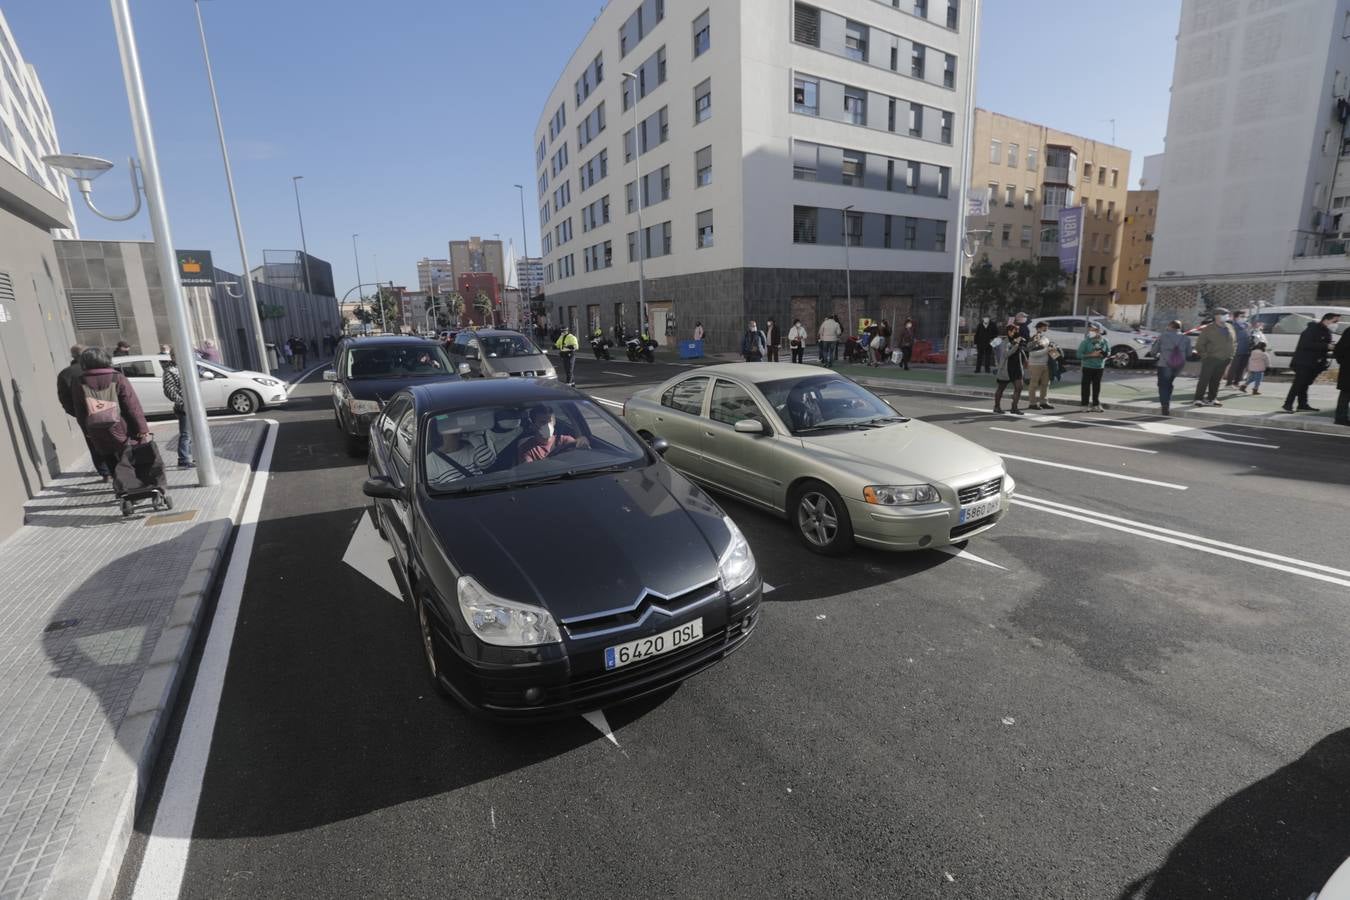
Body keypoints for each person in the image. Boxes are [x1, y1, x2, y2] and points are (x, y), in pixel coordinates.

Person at [73, 346, 149, 480]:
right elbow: (132, 405)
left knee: (108, 456)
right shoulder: (117, 377)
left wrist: (86, 431)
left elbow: (80, 410)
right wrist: (142, 428)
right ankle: (132, 485)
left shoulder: (79, 381)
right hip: (121, 426)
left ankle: (120, 486)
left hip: (95, 428)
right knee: (128, 454)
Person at [57, 344, 112, 481]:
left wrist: (76, 412)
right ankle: (118, 468)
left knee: (93, 442)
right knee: (113, 438)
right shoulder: (102, 369)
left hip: (85, 414)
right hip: (109, 410)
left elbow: (64, 398)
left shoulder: (65, 374)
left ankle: (105, 472)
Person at [1283, 312, 1340, 413]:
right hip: (1304, 362)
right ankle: (1288, 404)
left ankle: (1302, 404)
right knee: (1298, 384)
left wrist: (1329, 346)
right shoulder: (1312, 329)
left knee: (1304, 384)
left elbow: (1322, 344)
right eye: (1335, 321)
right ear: (1326, 319)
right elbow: (1306, 344)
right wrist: (1326, 346)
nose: (1337, 323)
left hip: (1314, 363)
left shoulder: (1325, 331)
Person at [1192, 308, 1236, 408]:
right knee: (1204, 379)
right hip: (1211, 358)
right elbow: (1200, 344)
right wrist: (1205, 356)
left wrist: (1231, 355)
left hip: (1225, 358)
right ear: (1217, 316)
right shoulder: (1208, 328)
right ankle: (1198, 399)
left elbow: (1234, 343)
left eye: (1227, 314)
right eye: (1224, 314)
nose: (1227, 316)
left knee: (1216, 380)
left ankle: (1212, 399)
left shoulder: (1230, 327)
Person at [426, 424, 497, 482]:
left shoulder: (472, 449)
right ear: (441, 432)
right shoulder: (430, 460)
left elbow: (487, 462)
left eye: (457, 429)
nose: (455, 432)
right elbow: (433, 490)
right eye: (450, 429)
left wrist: (472, 438)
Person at [518, 406, 589, 463]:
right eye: (543, 422)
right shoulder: (527, 449)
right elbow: (529, 471)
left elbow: (580, 456)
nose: (548, 426)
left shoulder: (565, 440)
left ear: (554, 422)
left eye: (550, 421)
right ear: (533, 425)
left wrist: (582, 441)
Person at [161, 352, 193, 468]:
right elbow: (169, 390)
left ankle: (190, 457)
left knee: (192, 434)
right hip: (184, 407)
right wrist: (182, 402)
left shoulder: (186, 367)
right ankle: (184, 460)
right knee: (186, 434)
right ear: (173, 357)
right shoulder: (170, 370)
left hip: (193, 405)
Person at [1153, 320, 1192, 416]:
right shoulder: (1186, 338)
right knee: (1169, 383)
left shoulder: (1163, 336)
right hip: (1178, 365)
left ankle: (1165, 405)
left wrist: (1157, 354)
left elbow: (1154, 351)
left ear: (1170, 326)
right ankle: (1167, 402)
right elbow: (1189, 353)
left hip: (1164, 364)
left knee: (1163, 385)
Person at [993, 324, 1027, 415]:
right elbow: (1006, 354)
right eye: (1014, 331)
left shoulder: (1018, 340)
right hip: (1006, 369)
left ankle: (1014, 408)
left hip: (1017, 368)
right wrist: (1016, 344)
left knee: (1019, 388)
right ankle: (996, 406)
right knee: (1001, 388)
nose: (1016, 332)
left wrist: (1034, 342)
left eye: (1017, 330)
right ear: (1009, 331)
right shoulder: (1005, 342)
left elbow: (1026, 349)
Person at [1078, 322, 1111, 412]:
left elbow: (1108, 352)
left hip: (1099, 367)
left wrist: (1105, 355)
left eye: (1095, 329)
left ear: (1099, 331)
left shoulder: (1104, 341)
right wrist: (1091, 355)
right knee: (1086, 386)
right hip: (1087, 367)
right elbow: (1079, 355)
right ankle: (1084, 405)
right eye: (1091, 329)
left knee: (1097, 386)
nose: (1092, 331)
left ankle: (1096, 404)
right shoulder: (1085, 342)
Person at [1023, 320, 1055, 410]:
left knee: (1045, 384)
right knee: (1034, 384)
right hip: (1035, 364)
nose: (1047, 328)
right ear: (1039, 328)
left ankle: (1043, 402)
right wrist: (1047, 350)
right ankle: (1032, 403)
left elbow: (1049, 350)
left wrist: (1054, 353)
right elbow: (1032, 354)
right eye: (1045, 326)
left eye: (1047, 327)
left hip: (1046, 364)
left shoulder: (1045, 338)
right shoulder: (1034, 338)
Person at [1225, 310, 1252, 387]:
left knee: (1242, 366)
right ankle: (1229, 383)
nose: (1244, 318)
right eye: (1242, 316)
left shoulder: (1247, 325)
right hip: (1237, 349)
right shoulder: (1233, 326)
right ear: (1236, 317)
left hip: (1246, 349)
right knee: (1234, 366)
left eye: (1245, 316)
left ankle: (1236, 382)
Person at [1335, 328, 1350, 426]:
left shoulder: (1348, 331)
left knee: (1345, 394)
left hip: (1347, 367)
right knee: (1345, 394)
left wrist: (1343, 362)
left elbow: (1338, 349)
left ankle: (1340, 418)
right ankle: (1340, 418)